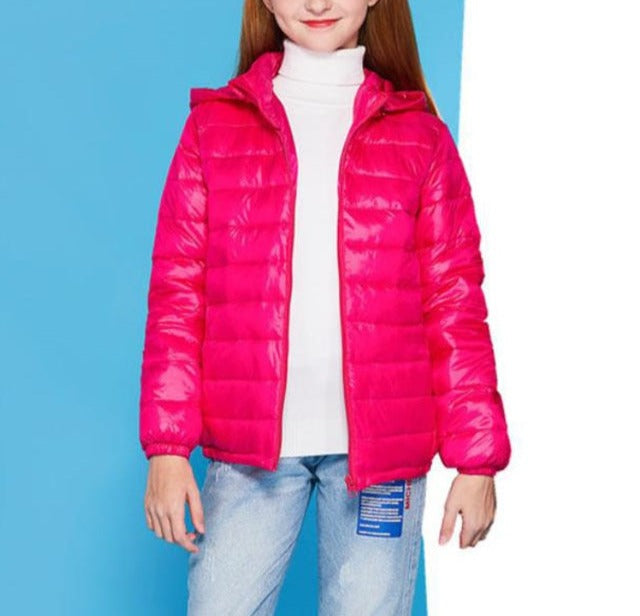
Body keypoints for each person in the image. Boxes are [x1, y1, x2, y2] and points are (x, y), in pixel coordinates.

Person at [139, 0, 512, 614]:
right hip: (249, 452)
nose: (317, 3)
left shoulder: (421, 138)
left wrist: (478, 460)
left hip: (382, 458)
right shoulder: (213, 129)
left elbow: (454, 304)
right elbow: (179, 294)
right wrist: (167, 447)